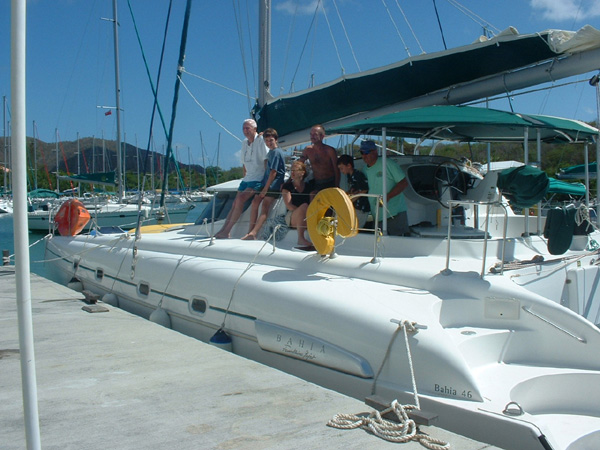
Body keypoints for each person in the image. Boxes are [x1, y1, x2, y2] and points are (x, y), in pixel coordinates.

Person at [214, 119, 268, 239]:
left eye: (248, 128)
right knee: (235, 203)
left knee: (240, 199)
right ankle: (224, 230)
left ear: (255, 129)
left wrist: (266, 182)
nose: (245, 131)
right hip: (247, 178)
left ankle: (227, 230)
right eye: (243, 128)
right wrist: (244, 178)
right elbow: (244, 163)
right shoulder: (244, 143)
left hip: (258, 178)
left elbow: (266, 161)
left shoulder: (261, 141)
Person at [242, 128, 286, 240]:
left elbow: (273, 172)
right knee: (255, 202)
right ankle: (249, 231)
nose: (268, 143)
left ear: (276, 140)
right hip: (265, 182)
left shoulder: (276, 152)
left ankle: (254, 233)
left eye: (271, 140)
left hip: (273, 184)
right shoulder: (271, 152)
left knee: (265, 207)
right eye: (266, 141)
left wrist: (266, 189)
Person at [360, 140, 410, 236]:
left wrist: (388, 197)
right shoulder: (364, 170)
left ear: (375, 151)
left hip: (394, 214)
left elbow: (403, 183)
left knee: (397, 245)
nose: (364, 155)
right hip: (377, 216)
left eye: (366, 152)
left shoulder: (387, 163)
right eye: (362, 153)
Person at [281, 160, 314, 247]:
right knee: (304, 206)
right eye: (291, 170)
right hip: (292, 215)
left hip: (307, 214)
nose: (292, 172)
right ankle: (300, 238)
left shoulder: (309, 187)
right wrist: (302, 212)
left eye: (295, 170)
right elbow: (289, 205)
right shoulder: (287, 186)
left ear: (302, 173)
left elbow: (312, 203)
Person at [298, 124, 340, 193]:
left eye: (315, 134)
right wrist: (290, 181)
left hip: (330, 182)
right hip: (317, 183)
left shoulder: (330, 150)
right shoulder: (307, 150)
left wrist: (337, 185)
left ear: (322, 136)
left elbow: (336, 169)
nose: (312, 136)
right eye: (311, 134)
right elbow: (298, 165)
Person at [337, 154, 370, 227]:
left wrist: (351, 199)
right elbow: (354, 188)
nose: (341, 171)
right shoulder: (350, 176)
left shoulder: (358, 175)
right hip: (356, 207)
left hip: (362, 207)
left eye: (342, 168)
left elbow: (364, 189)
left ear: (349, 166)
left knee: (355, 227)